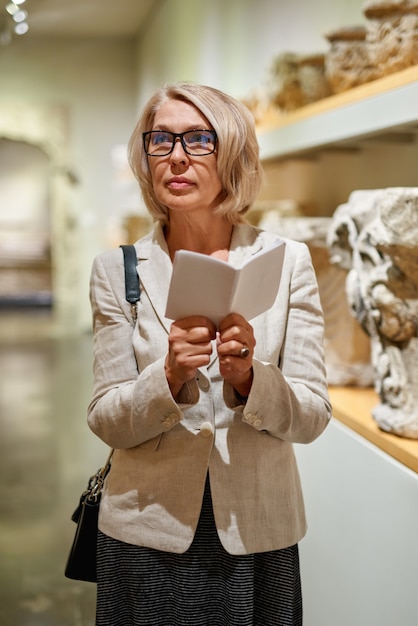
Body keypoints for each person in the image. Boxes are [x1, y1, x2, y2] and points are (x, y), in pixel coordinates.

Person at [87, 81, 331, 626]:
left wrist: (249, 380)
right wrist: (169, 376)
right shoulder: (118, 270)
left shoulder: (287, 260)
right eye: (161, 140)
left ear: (234, 154)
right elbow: (105, 417)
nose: (175, 156)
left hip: (257, 531)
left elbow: (313, 416)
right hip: (147, 531)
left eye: (199, 139)